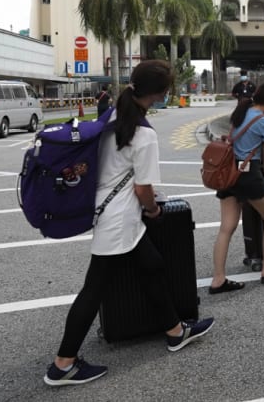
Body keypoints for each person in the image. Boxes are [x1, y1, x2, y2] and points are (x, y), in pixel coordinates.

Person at [44, 60, 215, 387]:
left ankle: (175, 331)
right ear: (162, 94)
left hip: (109, 211)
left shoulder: (112, 115)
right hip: (120, 218)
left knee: (151, 265)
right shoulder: (143, 134)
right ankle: (63, 364)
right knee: (94, 290)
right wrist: (152, 210)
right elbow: (143, 189)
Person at [210, 82, 264, 294]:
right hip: (248, 173)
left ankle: (218, 279)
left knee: (226, 228)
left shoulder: (240, 113)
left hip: (229, 174)